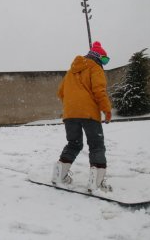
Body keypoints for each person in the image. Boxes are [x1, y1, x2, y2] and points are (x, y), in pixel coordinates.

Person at [51, 41, 112, 193]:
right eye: (105, 59)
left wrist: (72, 105)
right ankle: (96, 183)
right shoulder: (95, 68)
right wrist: (107, 110)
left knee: (74, 144)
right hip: (89, 114)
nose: (104, 62)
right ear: (98, 56)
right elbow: (99, 91)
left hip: (70, 114)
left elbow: (60, 92)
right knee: (96, 145)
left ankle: (59, 175)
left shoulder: (70, 71)